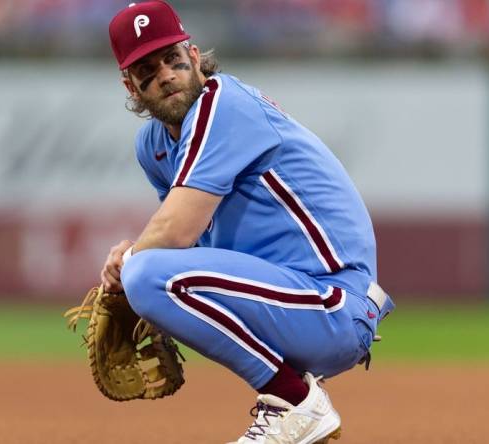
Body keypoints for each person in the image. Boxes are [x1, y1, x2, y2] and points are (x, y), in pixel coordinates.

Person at [101, 2, 395, 443]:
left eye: (171, 58)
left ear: (194, 55)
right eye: (146, 67)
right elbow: (187, 244)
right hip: (290, 301)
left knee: (144, 274)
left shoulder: (224, 104)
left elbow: (175, 234)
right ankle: (291, 407)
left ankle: (294, 401)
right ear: (130, 84)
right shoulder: (154, 146)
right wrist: (139, 278)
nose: (164, 74)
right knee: (146, 272)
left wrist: (128, 271)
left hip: (333, 305)